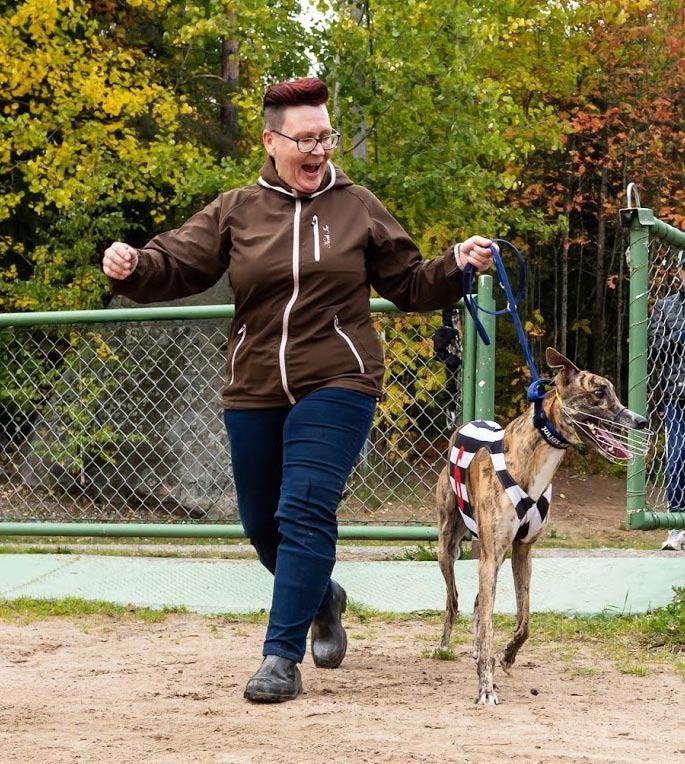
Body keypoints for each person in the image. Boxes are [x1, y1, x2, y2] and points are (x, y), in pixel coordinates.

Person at [102, 77, 494, 702]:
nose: (320, 151)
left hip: (340, 377)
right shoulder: (236, 209)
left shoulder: (356, 205)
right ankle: (323, 594)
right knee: (262, 525)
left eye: (326, 138)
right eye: (306, 139)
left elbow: (411, 283)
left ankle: (278, 659)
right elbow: (177, 262)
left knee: (304, 508)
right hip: (254, 382)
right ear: (271, 140)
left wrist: (456, 264)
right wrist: (133, 265)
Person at [649, 249, 685, 551]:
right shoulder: (665, 306)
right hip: (676, 395)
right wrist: (680, 335)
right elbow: (654, 344)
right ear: (680, 272)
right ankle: (676, 526)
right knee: (674, 460)